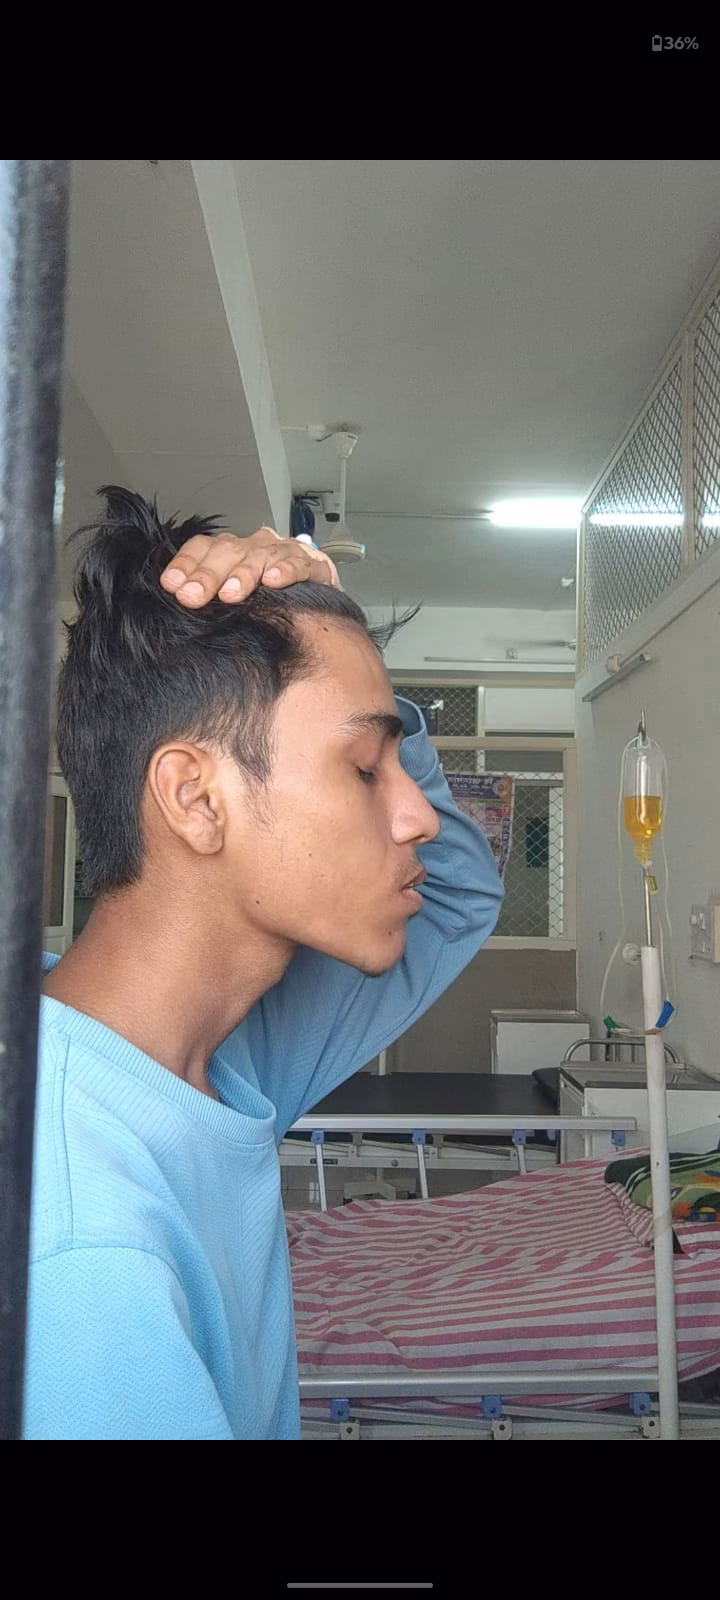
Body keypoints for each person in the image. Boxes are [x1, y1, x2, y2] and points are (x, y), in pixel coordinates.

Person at [24, 486, 503, 1440]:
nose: (417, 815)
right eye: (364, 769)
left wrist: (350, 659)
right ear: (196, 798)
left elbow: (451, 892)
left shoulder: (204, 1061)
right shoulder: (90, 1249)